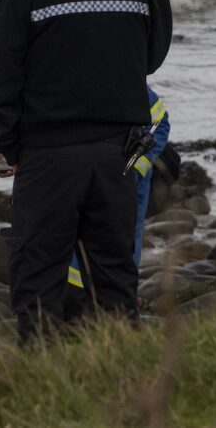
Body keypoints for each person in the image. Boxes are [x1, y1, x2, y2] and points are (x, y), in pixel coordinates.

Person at [0, 0, 172, 342]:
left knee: (40, 273)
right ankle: (121, 370)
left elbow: (1, 74)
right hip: (119, 156)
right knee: (113, 273)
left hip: (48, 156)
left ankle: (45, 380)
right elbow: (154, 56)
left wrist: (6, 145)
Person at [68, 84, 170, 297]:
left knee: (120, 255)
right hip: (83, 179)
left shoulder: (121, 73)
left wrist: (133, 170)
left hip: (123, 187)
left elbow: (159, 121)